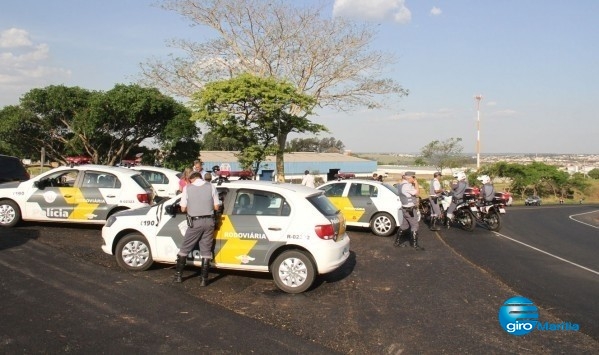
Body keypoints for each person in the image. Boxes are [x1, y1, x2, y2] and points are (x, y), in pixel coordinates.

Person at [174, 171, 220, 286]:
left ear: (191, 179)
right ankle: (204, 280)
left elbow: (183, 209)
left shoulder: (188, 188)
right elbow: (216, 206)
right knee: (206, 250)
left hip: (195, 222)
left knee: (184, 249)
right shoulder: (211, 186)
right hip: (209, 221)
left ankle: (178, 276)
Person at [394, 171, 424, 250]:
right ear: (410, 178)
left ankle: (397, 242)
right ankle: (414, 245)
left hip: (404, 208)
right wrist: (416, 183)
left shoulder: (400, 185)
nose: (414, 179)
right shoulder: (407, 186)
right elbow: (417, 193)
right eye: (413, 177)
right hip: (410, 209)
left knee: (404, 225)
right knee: (415, 225)